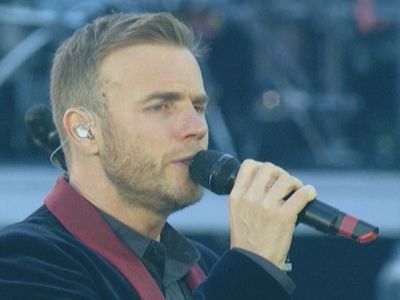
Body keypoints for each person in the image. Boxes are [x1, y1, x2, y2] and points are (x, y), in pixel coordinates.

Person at [0, 12, 316, 299]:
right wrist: (250, 270)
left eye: (198, 106)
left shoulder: (205, 266)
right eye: (161, 106)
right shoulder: (22, 263)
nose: (196, 128)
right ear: (84, 130)